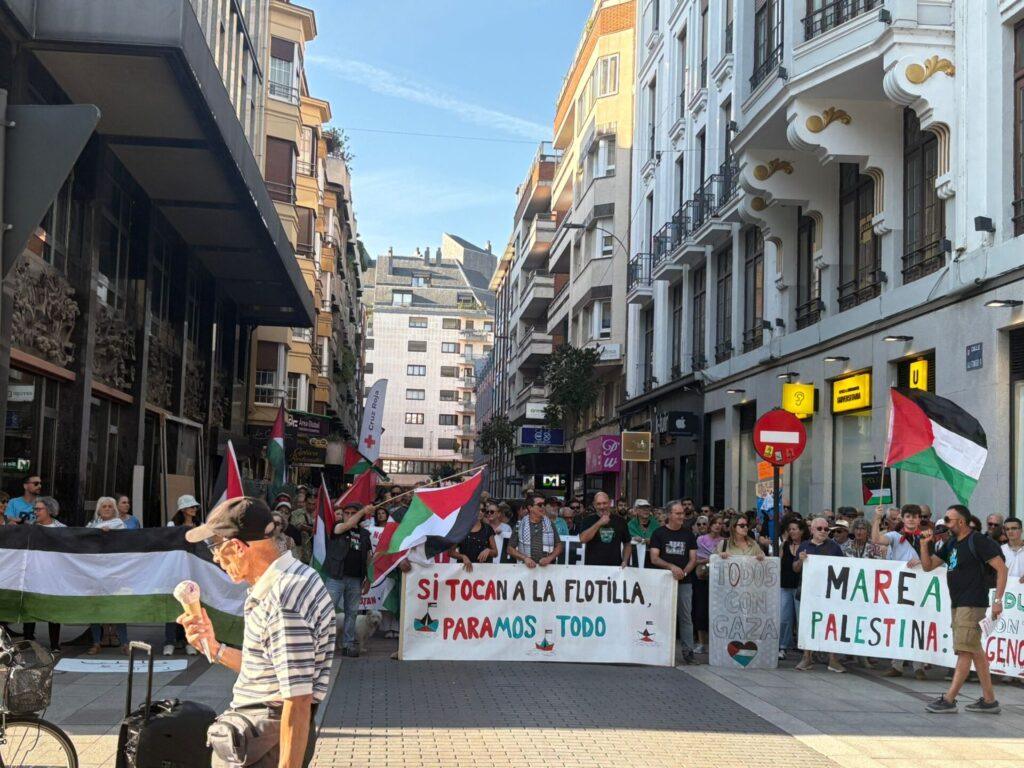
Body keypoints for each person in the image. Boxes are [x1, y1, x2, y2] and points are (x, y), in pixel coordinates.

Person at [180, 496, 334, 766]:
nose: (215, 558)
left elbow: (298, 700)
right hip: (264, 734)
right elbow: (270, 671)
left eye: (214, 547)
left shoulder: (282, 599)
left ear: (237, 547)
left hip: (266, 743)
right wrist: (214, 648)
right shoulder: (296, 576)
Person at [919, 504, 1007, 714]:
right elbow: (928, 566)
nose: (945, 523)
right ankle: (989, 700)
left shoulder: (977, 540)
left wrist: (997, 600)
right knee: (975, 651)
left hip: (972, 602)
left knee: (965, 651)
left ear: (961, 521)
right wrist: (924, 545)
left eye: (948, 520)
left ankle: (949, 699)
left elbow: (1001, 568)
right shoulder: (951, 543)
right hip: (958, 603)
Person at [872, 503, 927, 679]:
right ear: (902, 518)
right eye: (908, 516)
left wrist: (920, 561)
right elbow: (876, 540)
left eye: (915, 516)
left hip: (920, 587)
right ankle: (897, 665)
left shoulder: (926, 537)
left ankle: (919, 666)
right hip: (900, 587)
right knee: (899, 624)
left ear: (919, 519)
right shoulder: (895, 536)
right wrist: (877, 518)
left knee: (918, 625)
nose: (911, 519)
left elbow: (936, 559)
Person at [793, 516, 845, 673]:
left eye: (826, 529)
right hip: (809, 593)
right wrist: (801, 560)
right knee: (808, 624)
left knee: (831, 624)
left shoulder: (834, 548)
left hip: (829, 594)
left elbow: (843, 568)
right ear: (812, 530)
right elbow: (795, 568)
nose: (823, 531)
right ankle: (807, 658)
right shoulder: (804, 546)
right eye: (820, 529)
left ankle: (833, 659)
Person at [650, 501, 698, 664]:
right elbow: (654, 558)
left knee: (685, 616)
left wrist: (683, 572)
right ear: (669, 514)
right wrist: (671, 567)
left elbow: (693, 559)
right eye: (677, 513)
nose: (681, 516)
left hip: (685, 581)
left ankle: (688, 651)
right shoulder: (658, 533)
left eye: (682, 513)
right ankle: (659, 648)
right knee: (661, 615)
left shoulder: (688, 535)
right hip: (663, 581)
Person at [324, 503, 371, 658]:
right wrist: (363, 510)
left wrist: (368, 579)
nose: (350, 515)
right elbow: (349, 524)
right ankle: (323, 644)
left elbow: (369, 557)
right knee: (327, 611)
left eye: (353, 513)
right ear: (342, 515)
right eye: (347, 512)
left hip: (356, 578)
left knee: (352, 613)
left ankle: (348, 645)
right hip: (336, 577)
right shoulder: (337, 528)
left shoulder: (365, 534)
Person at [22, 496, 64, 652]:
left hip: (54, 575)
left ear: (49, 511)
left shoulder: (61, 529)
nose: (36, 512)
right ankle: (27, 640)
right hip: (33, 574)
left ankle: (54, 644)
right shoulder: (29, 528)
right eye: (35, 509)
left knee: (53, 609)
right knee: (30, 607)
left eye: (39, 509)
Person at [164, 499, 200, 656]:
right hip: (175, 571)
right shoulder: (171, 526)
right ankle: (169, 642)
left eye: (195, 507)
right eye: (191, 506)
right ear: (183, 509)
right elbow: (167, 544)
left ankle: (189, 641)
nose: (194, 509)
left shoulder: (200, 525)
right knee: (173, 606)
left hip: (194, 571)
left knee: (191, 606)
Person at [692, 515, 725, 654]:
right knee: (700, 609)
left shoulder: (724, 542)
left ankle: (714, 642)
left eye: (720, 523)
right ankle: (701, 642)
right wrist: (708, 559)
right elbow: (695, 559)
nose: (717, 526)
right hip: (702, 577)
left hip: (717, 579)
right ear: (710, 525)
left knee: (716, 610)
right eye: (715, 523)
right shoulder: (700, 540)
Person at [578, 491, 632, 568]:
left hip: (615, 568)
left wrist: (625, 561)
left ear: (610, 503)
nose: (602, 507)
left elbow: (627, 544)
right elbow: (582, 539)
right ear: (594, 505)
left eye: (604, 503)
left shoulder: (620, 521)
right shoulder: (587, 520)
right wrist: (599, 523)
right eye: (598, 504)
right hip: (592, 568)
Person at [779, 517, 807, 659]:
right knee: (784, 617)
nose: (792, 531)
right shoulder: (784, 545)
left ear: (801, 531)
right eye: (790, 529)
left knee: (800, 616)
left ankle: (804, 647)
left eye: (794, 529)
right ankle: (782, 646)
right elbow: (779, 562)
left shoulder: (807, 545)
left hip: (799, 586)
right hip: (785, 585)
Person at [508, 494, 563, 567]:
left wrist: (549, 558)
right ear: (530, 507)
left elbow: (559, 546)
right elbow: (510, 549)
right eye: (540, 505)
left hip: (547, 569)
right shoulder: (520, 525)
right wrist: (525, 558)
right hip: (525, 569)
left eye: (544, 504)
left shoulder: (550, 524)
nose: (543, 507)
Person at [1003, 517, 1024, 583]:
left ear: (1021, 530)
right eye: (1007, 529)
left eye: (1014, 528)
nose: (1010, 531)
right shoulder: (1000, 550)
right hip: (1006, 590)